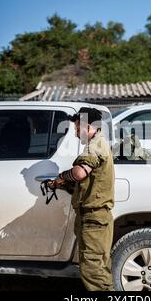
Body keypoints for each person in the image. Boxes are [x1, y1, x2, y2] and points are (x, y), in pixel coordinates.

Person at [50, 107, 115, 291]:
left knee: (92, 269)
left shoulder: (95, 146)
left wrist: (61, 177)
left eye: (78, 129)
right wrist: (63, 185)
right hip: (96, 218)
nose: (77, 134)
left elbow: (79, 172)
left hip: (94, 219)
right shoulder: (100, 143)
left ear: (88, 126)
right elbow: (87, 182)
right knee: (99, 267)